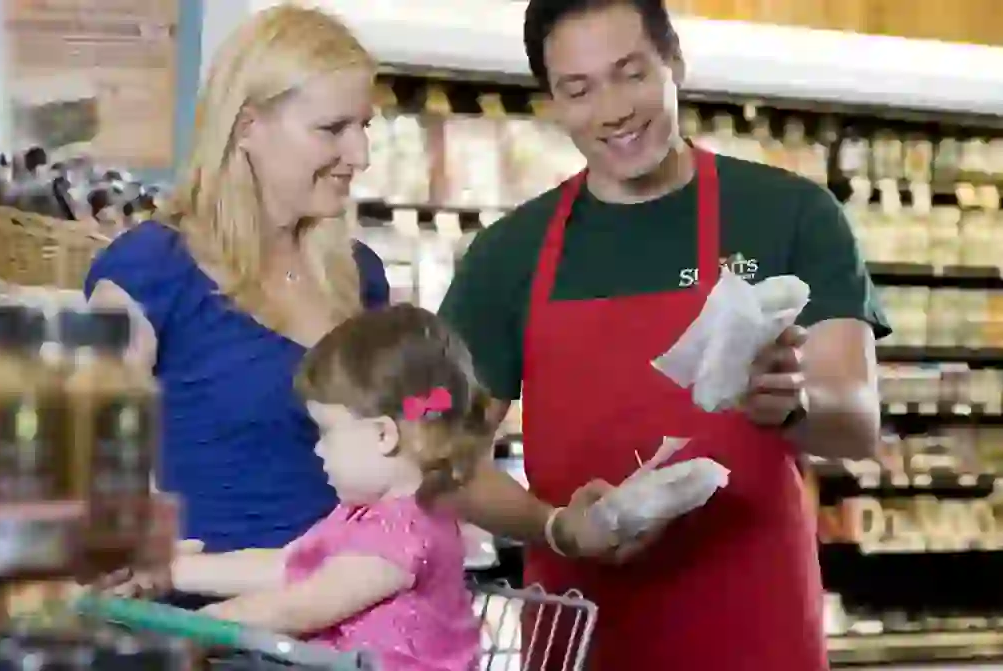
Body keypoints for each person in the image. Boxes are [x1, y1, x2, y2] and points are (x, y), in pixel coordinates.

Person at [437, 1, 890, 669]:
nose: (612, 109)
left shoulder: (789, 214)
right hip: (586, 629)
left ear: (673, 62)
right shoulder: (508, 255)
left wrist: (795, 404)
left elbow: (857, 421)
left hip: (755, 627)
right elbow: (445, 456)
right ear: (553, 102)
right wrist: (558, 527)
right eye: (579, 88)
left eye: (631, 73)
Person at [84, 4, 389, 572]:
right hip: (203, 637)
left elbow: (406, 442)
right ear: (247, 127)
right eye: (332, 129)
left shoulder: (361, 276)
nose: (360, 156)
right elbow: (88, 458)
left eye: (364, 127)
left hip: (351, 630)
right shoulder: (151, 270)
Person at [163, 305, 485, 670]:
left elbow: (304, 606)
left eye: (327, 431)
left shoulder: (403, 531)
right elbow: (290, 564)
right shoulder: (364, 514)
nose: (317, 448)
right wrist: (175, 569)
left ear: (383, 435)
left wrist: (210, 622)